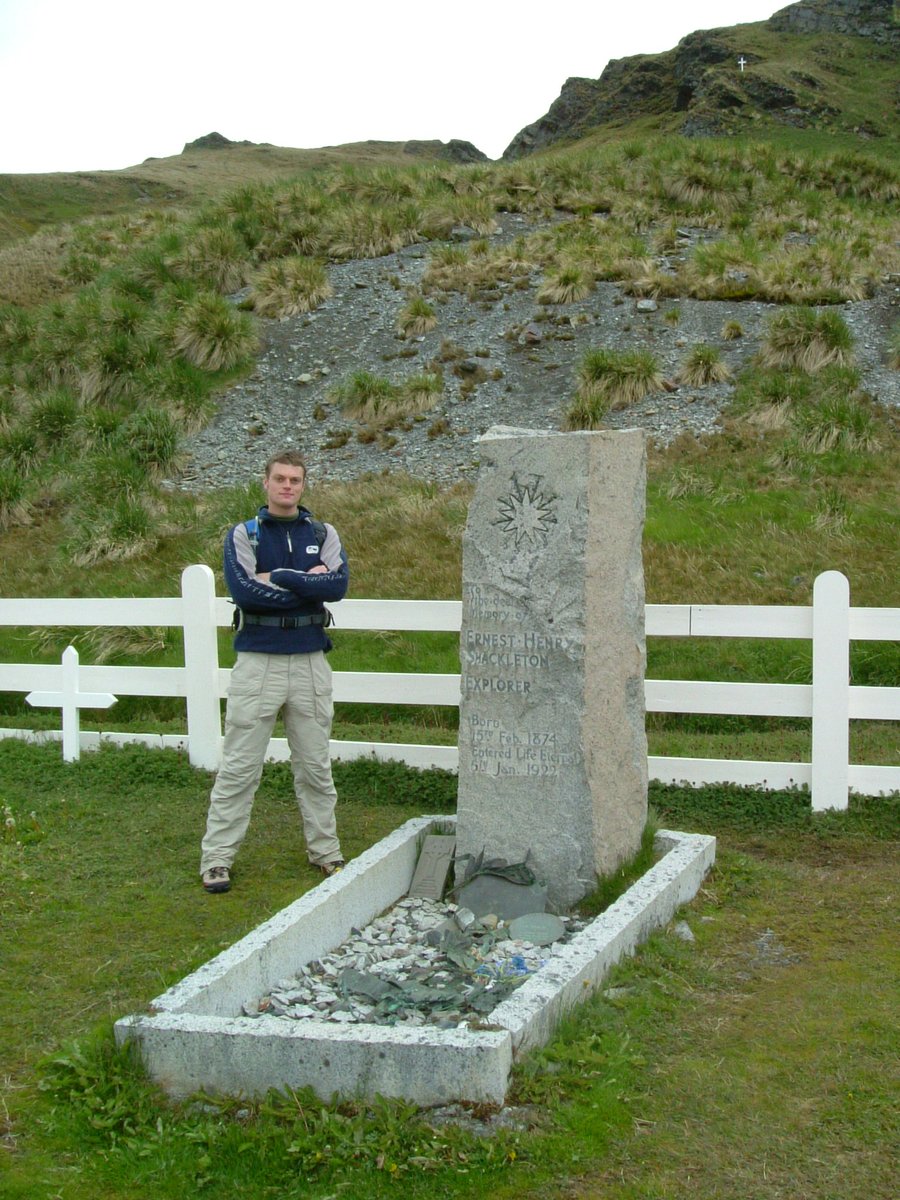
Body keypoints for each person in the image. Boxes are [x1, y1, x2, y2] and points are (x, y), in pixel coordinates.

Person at [200, 449, 348, 893]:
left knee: (316, 766)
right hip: (258, 663)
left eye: (296, 480)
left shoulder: (324, 532)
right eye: (280, 479)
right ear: (265, 483)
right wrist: (305, 579)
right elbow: (245, 593)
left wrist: (278, 576)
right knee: (240, 767)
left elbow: (337, 586)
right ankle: (217, 860)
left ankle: (327, 851)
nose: (288, 486)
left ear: (303, 486)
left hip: (309, 663)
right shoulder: (243, 534)